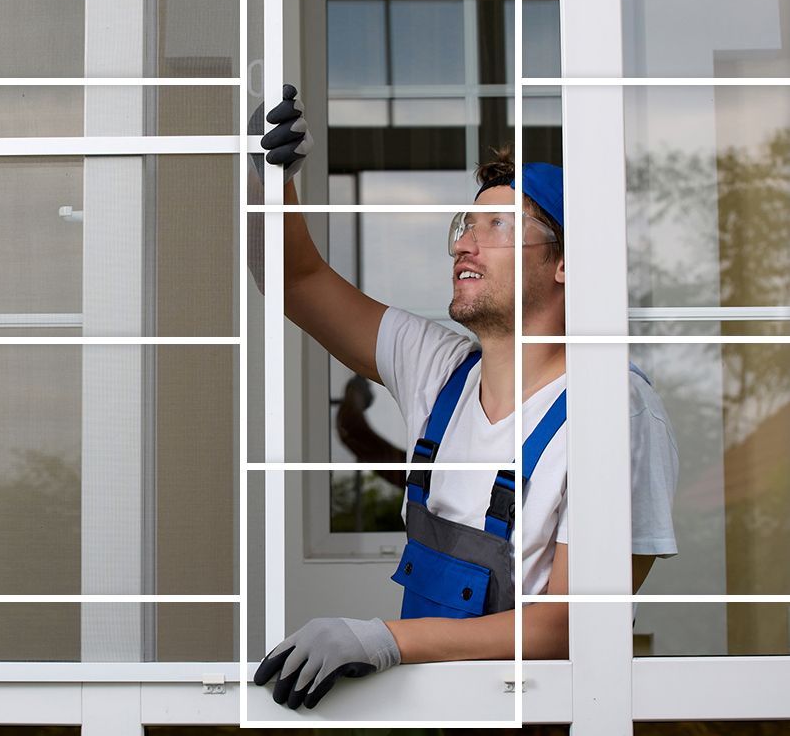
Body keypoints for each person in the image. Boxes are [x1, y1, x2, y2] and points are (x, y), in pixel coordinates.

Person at [252, 86, 679, 710]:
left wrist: (381, 639)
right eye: (464, 226)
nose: (462, 245)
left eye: (497, 227)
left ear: (567, 262)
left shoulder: (614, 413)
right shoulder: (440, 370)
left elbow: (565, 629)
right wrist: (265, 180)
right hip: (441, 715)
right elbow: (296, 279)